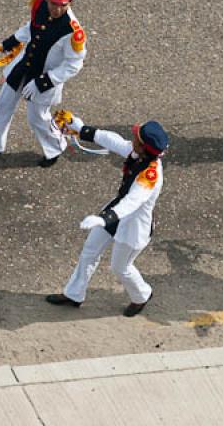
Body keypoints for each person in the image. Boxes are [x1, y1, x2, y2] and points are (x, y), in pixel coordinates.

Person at [45, 113, 168, 317]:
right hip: (115, 213)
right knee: (89, 251)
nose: (133, 138)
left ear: (143, 147)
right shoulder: (138, 152)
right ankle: (74, 294)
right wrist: (81, 128)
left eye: (136, 137)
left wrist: (103, 219)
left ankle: (142, 295)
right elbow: (113, 141)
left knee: (121, 268)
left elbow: (132, 202)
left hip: (132, 225)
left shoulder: (150, 176)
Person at [0, 0, 87, 167]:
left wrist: (44, 82)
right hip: (24, 66)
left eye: (61, 5)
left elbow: (74, 64)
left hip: (44, 77)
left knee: (37, 117)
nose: (56, 9)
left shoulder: (73, 31)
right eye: (53, 3)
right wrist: (9, 43)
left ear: (70, 2)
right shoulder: (40, 4)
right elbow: (31, 27)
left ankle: (56, 147)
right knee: (2, 105)